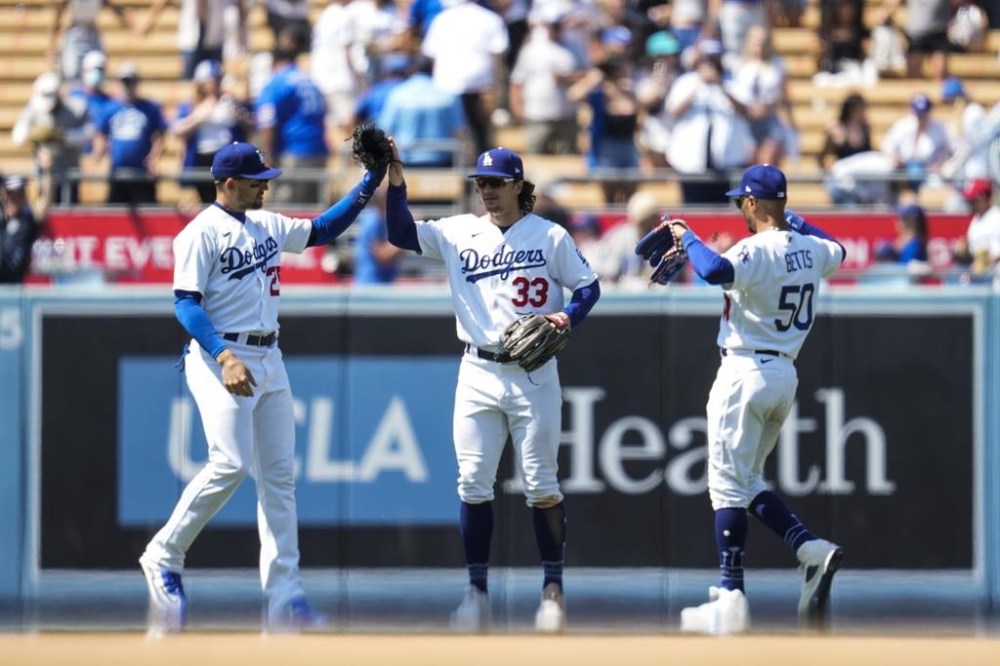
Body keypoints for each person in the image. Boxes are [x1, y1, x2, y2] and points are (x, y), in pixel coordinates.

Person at [138, 141, 387, 636]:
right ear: (228, 184)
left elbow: (323, 229)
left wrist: (369, 183)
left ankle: (284, 597)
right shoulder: (200, 234)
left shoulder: (268, 223)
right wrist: (223, 355)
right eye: (256, 181)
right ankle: (163, 555)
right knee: (229, 462)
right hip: (219, 357)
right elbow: (186, 304)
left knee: (279, 479)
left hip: (270, 356)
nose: (265, 186)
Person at [383, 144, 601, 633]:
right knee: (473, 482)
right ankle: (476, 592)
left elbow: (588, 288)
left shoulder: (550, 235)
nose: (488, 191)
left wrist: (565, 315)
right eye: (481, 183)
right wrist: (397, 181)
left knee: (542, 484)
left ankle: (552, 590)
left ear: (519, 186)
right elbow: (399, 232)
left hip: (533, 371)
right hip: (477, 370)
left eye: (497, 183)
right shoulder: (459, 230)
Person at [658, 164, 846, 634]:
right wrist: (796, 220)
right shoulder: (810, 248)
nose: (737, 207)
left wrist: (687, 235)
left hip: (744, 369)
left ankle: (731, 596)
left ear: (752, 204)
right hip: (784, 373)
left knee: (725, 486)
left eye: (740, 200)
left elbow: (714, 270)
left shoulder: (754, 249)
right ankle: (807, 549)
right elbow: (839, 250)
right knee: (746, 480)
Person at [92, 62, 167, 206]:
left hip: (142, 173)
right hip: (117, 172)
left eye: (131, 82)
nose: (128, 86)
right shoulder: (110, 108)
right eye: (125, 82)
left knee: (147, 211)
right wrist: (100, 154)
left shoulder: (149, 108)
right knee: (116, 216)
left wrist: (154, 157)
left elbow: (159, 135)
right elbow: (100, 133)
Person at [0, 172, 52, 284]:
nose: (14, 201)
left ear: (23, 198)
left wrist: (47, 171)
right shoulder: (3, 221)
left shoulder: (27, 221)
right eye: (11, 196)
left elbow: (45, 200)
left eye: (18, 196)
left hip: (15, 284)